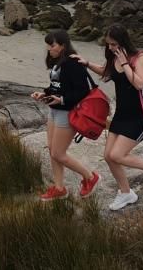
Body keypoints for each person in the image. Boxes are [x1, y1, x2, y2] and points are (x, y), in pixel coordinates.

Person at [73, 24, 143, 211]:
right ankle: (126, 193)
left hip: (139, 116)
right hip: (121, 115)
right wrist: (87, 63)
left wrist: (125, 62)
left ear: (123, 41)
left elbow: (139, 84)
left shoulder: (139, 58)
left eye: (114, 44)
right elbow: (107, 73)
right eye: (108, 44)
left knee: (117, 154)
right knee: (108, 156)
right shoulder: (114, 57)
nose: (110, 48)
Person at [31, 30, 101, 200]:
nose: (49, 49)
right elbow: (57, 85)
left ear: (63, 45)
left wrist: (62, 100)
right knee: (51, 149)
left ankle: (90, 177)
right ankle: (59, 187)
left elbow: (82, 91)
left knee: (58, 153)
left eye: (52, 45)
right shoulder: (57, 62)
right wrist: (45, 93)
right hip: (54, 110)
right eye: (48, 46)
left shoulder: (72, 62)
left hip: (67, 112)